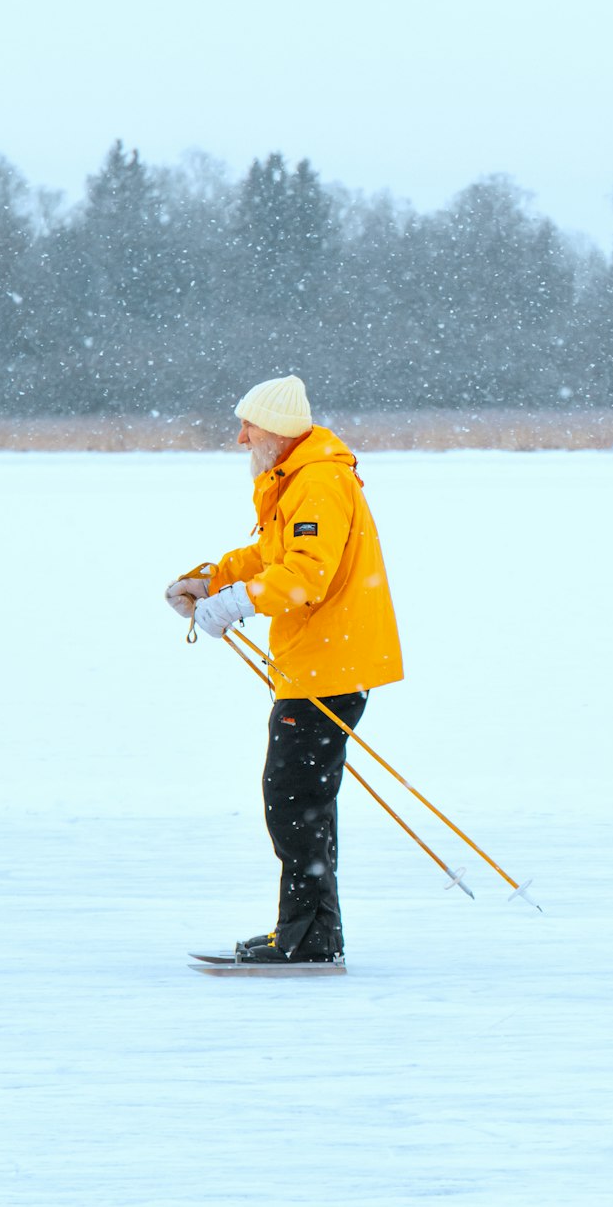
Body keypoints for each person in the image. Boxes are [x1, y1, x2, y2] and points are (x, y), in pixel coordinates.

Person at [165, 374, 403, 965]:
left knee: (293, 799)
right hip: (319, 662)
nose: (241, 437)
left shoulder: (318, 482)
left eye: (248, 426)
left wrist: (235, 603)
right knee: (302, 799)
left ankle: (308, 938)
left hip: (331, 665)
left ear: (277, 430)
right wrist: (210, 579)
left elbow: (303, 573)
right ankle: (310, 932)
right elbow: (272, 555)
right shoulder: (296, 478)